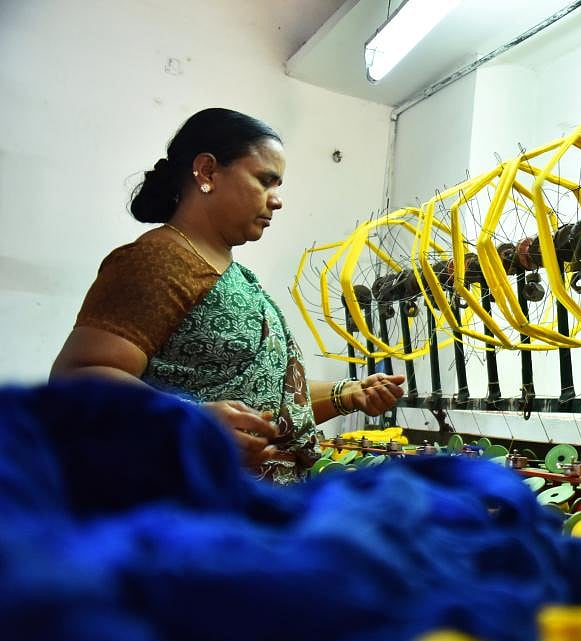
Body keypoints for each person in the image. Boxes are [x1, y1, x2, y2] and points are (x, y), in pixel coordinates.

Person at [51, 108, 405, 483]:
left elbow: (259, 404)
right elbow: (77, 377)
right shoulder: (159, 260)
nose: (277, 200)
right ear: (207, 172)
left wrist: (347, 393)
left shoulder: (236, 277)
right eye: (265, 181)